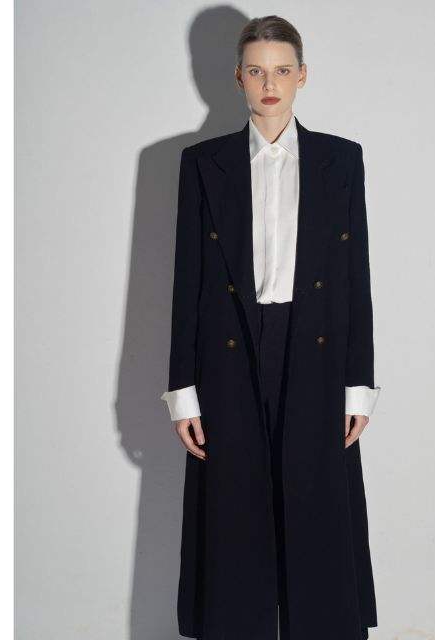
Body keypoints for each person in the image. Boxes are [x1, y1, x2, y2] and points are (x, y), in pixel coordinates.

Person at [161, 15, 381, 640]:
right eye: (256, 71)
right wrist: (183, 390)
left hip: (315, 349)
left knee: (316, 507)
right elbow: (187, 279)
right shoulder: (203, 163)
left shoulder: (341, 160)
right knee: (235, 512)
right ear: (238, 77)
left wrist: (359, 384)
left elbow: (355, 276)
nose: (269, 84)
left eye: (282, 70)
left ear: (302, 76)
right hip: (228, 352)